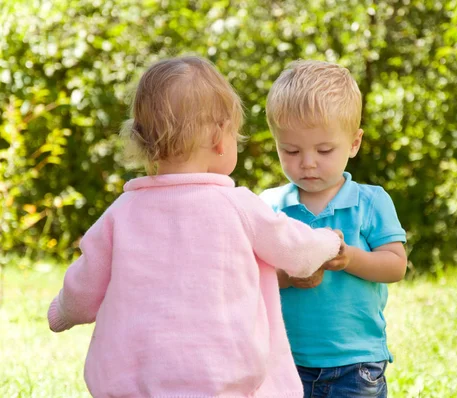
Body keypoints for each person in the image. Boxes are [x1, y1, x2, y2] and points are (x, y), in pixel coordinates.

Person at [47, 55, 342, 398]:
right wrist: (329, 242)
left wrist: (60, 313)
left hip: (131, 386)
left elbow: (83, 288)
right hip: (220, 382)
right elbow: (299, 252)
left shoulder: (120, 214)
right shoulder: (238, 206)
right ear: (220, 138)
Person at [260, 60, 408, 398]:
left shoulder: (370, 202)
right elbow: (254, 275)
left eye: (324, 150)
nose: (308, 162)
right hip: (284, 359)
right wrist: (290, 275)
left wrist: (350, 258)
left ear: (354, 144)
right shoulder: (269, 207)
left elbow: (395, 265)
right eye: (291, 150)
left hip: (355, 362)